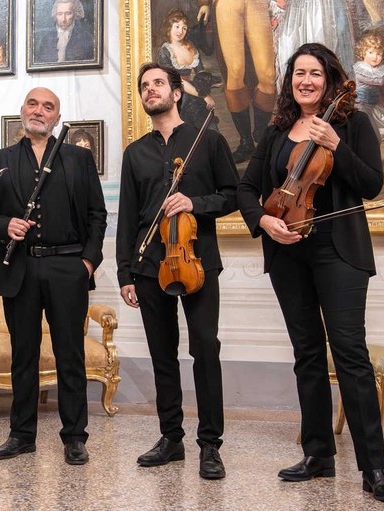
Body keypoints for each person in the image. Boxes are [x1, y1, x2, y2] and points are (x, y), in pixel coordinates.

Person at [236, 43, 384, 504]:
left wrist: (335, 146)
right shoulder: (276, 130)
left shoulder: (352, 124)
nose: (305, 81)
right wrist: (263, 220)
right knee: (307, 353)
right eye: (298, 73)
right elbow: (246, 188)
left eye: (314, 73)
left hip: (338, 251)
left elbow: (371, 184)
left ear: (329, 79)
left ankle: (374, 468)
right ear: (289, 81)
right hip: (287, 253)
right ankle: (317, 454)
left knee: (349, 353)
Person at [0, 87, 107, 465]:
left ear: (56, 118)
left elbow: (97, 215)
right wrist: (4, 225)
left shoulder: (79, 158)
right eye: (33, 104)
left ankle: (75, 436)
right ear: (22, 111)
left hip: (68, 267)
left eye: (48, 107)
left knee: (70, 355)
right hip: (21, 268)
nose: (39, 111)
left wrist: (87, 262)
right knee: (24, 355)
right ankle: (21, 435)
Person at [116, 62, 238, 478]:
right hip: (150, 265)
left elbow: (233, 195)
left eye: (158, 83)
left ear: (177, 93)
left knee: (205, 348)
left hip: (196, 261)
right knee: (162, 354)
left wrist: (194, 203)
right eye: (144, 86)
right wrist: (125, 273)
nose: (150, 90)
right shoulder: (135, 153)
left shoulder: (208, 140)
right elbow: (128, 217)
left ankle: (210, 445)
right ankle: (171, 438)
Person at [208, 0, 276, 162]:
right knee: (235, 71)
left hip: (257, 3)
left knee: (268, 75)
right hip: (228, 4)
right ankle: (246, 142)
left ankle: (260, 134)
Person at [157, 9, 218, 131]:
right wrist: (204, 95)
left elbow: (201, 73)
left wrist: (205, 89)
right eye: (177, 26)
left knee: (208, 126)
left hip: (193, 91)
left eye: (184, 28)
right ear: (169, 27)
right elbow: (177, 81)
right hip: (174, 93)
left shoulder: (191, 47)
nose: (180, 31)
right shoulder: (165, 51)